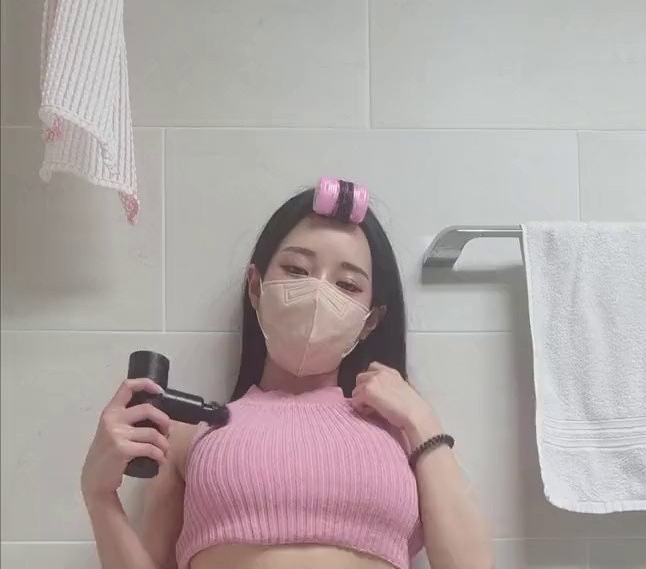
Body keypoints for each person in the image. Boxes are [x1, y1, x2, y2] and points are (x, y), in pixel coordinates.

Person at [81, 178, 494, 569]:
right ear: (256, 287)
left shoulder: (399, 432)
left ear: (371, 321)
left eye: (348, 285)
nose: (317, 293)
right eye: (297, 270)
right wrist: (99, 494)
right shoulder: (194, 437)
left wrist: (421, 420)